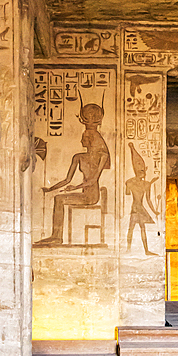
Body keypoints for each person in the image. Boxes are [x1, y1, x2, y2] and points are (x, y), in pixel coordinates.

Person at [35, 100, 110, 247]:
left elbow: (93, 181)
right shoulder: (78, 157)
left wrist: (74, 188)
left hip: (91, 196)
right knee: (58, 197)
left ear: (90, 140)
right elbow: (67, 180)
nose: (81, 139)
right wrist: (50, 189)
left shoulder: (102, 157)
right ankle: (55, 236)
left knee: (60, 200)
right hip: (83, 193)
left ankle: (57, 237)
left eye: (84, 137)